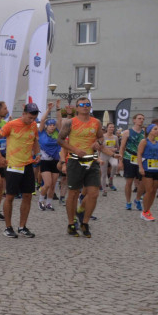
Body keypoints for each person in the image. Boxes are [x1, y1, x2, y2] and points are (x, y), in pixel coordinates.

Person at [0, 102, 41, 238]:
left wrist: (37, 154)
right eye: (30, 117)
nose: (32, 120)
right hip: (13, 165)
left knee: (27, 196)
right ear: (24, 113)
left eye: (34, 118)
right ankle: (8, 227)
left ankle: (22, 226)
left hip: (28, 165)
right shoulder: (12, 124)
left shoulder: (33, 126)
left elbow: (35, 141)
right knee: (10, 196)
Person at [58, 96, 103, 237]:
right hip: (75, 160)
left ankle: (84, 222)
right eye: (82, 104)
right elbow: (59, 140)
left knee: (94, 193)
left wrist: (99, 143)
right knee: (73, 193)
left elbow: (101, 137)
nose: (85, 106)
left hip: (92, 160)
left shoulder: (96, 122)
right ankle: (71, 224)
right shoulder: (70, 122)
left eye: (87, 104)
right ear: (77, 108)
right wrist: (74, 149)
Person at [119, 113, 146, 211]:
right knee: (129, 182)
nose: (141, 120)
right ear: (134, 120)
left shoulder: (145, 133)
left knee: (141, 182)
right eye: (139, 118)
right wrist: (120, 161)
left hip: (141, 159)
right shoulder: (127, 132)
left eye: (143, 119)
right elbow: (122, 147)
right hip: (129, 157)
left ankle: (138, 199)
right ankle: (128, 201)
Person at [37, 118, 61, 211]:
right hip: (44, 161)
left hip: (55, 161)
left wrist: (58, 109)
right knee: (47, 183)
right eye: (50, 125)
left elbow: (60, 122)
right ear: (46, 126)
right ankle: (40, 200)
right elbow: (42, 120)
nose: (52, 126)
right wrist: (49, 110)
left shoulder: (57, 133)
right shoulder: (42, 133)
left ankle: (49, 203)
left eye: (53, 125)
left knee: (53, 185)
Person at [100, 122, 121, 191]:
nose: (112, 128)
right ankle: (104, 188)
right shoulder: (102, 136)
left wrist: (115, 149)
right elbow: (100, 148)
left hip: (112, 155)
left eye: (113, 127)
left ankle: (111, 181)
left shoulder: (115, 137)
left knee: (115, 165)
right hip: (104, 155)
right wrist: (109, 149)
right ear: (107, 128)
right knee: (103, 172)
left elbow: (117, 147)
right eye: (110, 127)